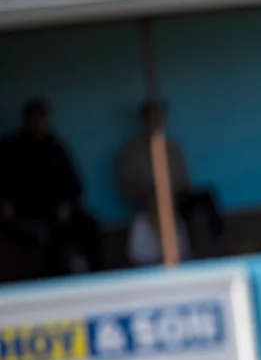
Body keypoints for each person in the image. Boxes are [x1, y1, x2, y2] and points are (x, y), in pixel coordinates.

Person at [0, 99, 103, 280]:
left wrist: (67, 205)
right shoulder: (10, 149)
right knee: (42, 236)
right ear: (26, 121)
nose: (38, 124)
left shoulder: (56, 148)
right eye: (34, 120)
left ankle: (95, 275)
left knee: (89, 224)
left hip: (58, 213)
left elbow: (75, 185)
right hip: (24, 213)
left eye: (41, 120)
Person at [117, 99, 226, 266]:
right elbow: (128, 186)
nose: (157, 122)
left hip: (176, 194)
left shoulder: (173, 147)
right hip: (147, 197)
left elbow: (184, 178)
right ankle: (168, 254)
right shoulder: (131, 151)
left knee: (205, 197)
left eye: (160, 117)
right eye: (152, 118)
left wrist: (173, 190)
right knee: (157, 202)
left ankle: (219, 246)